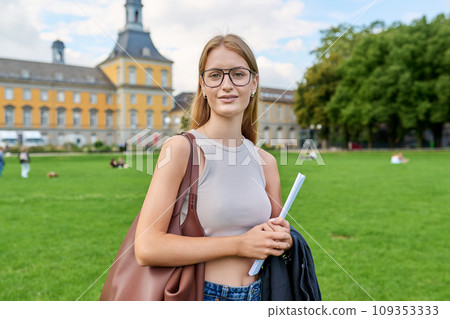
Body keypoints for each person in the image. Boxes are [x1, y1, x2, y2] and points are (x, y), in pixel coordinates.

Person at [134, 34, 292, 301]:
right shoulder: (182, 149)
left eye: (238, 74)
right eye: (215, 75)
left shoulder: (267, 162)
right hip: (205, 296)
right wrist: (239, 245)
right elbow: (147, 247)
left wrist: (282, 240)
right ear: (203, 85)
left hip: (260, 294)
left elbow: (273, 239)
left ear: (253, 83)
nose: (226, 85)